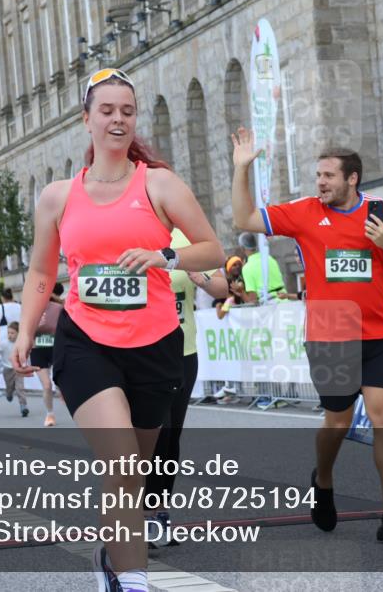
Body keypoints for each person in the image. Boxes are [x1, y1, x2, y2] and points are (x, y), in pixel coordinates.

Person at [10, 67, 224, 592]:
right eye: (106, 110)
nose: (118, 119)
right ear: (86, 119)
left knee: (135, 472)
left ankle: (113, 557)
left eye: (127, 111)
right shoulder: (58, 197)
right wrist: (24, 332)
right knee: (123, 460)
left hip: (155, 343)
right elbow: (42, 271)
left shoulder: (159, 183)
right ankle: (132, 581)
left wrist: (163, 254)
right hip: (85, 340)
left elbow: (212, 250)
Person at [232, 126, 383, 543]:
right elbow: (244, 219)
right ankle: (323, 479)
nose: (320, 182)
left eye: (328, 176)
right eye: (318, 175)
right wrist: (241, 170)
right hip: (331, 335)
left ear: (351, 179)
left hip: (378, 334)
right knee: (337, 422)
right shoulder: (304, 212)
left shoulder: (379, 212)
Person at [144, 228, 228, 544]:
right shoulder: (130, 228)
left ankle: (160, 512)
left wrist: (201, 279)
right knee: (153, 433)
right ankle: (141, 514)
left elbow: (223, 286)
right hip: (143, 353)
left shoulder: (185, 236)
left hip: (182, 352)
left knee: (170, 437)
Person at [29, 282, 65, 427]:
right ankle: (50, 414)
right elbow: (25, 331)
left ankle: (63, 392)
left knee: (61, 381)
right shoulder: (32, 310)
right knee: (46, 385)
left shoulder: (59, 308)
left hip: (56, 349)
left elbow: (66, 328)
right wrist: (35, 327)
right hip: (38, 350)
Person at [237, 232, 289, 302]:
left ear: (242, 248)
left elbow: (252, 300)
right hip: (286, 303)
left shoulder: (247, 268)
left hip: (270, 307)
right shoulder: (270, 259)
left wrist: (241, 291)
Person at [0, 322, 27, 417]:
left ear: (18, 333)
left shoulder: (21, 343)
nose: (10, 335)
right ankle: (9, 394)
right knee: (10, 387)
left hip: (19, 368)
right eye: (8, 333)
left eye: (12, 333)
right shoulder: (4, 343)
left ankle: (23, 406)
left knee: (20, 387)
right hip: (7, 369)